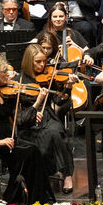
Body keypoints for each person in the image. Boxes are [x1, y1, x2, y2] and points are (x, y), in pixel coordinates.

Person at [0, 55, 52, 204]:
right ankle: (12, 197)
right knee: (27, 154)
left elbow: (20, 120)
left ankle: (35, 198)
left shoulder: (7, 93)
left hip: (10, 140)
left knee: (33, 150)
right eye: (4, 71)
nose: (8, 74)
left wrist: (37, 102)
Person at [18, 43, 75, 194]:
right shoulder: (20, 79)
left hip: (48, 117)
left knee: (56, 133)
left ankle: (67, 175)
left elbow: (59, 100)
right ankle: (49, 172)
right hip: (29, 120)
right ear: (29, 61)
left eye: (44, 61)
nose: (42, 65)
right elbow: (18, 112)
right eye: (38, 62)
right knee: (50, 137)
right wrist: (36, 105)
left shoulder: (48, 77)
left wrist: (68, 87)